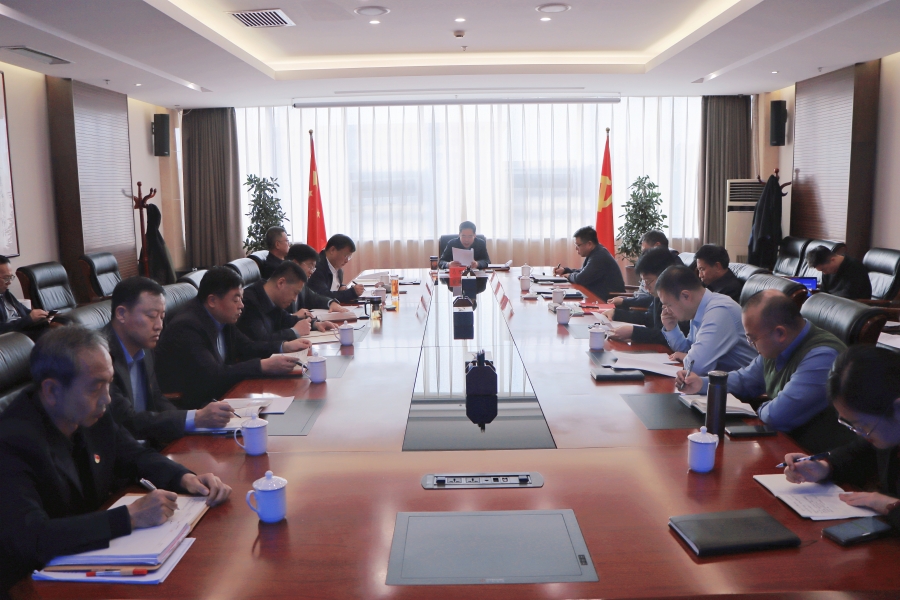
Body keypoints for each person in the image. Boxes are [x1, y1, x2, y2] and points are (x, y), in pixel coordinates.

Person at [0, 326, 232, 593]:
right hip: (34, 585)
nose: (107, 399)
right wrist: (130, 517)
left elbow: (135, 455)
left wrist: (185, 477)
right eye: (95, 388)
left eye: (109, 384)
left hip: (89, 562)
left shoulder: (89, 414)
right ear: (52, 391)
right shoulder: (12, 441)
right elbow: (32, 538)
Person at [677, 290, 855, 453]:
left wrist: (757, 408)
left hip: (815, 454)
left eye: (752, 339)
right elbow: (745, 380)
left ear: (780, 333)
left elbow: (776, 416)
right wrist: (702, 383)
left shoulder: (822, 356)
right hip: (784, 442)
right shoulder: (776, 345)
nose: (751, 345)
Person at [105, 277, 233, 448]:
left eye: (162, 316)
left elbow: (157, 398)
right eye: (151, 316)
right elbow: (127, 420)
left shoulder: (145, 347)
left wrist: (191, 420)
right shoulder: (101, 358)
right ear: (121, 314)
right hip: (121, 454)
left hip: (149, 446)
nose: (159, 325)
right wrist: (195, 418)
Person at [156, 267, 308, 410]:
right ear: (212, 301)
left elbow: (247, 346)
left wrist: (284, 346)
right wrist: (261, 366)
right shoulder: (187, 327)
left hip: (223, 396)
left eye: (241, 298)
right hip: (198, 406)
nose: (241, 305)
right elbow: (213, 375)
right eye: (236, 300)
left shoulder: (221, 317)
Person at [783, 345, 900, 529]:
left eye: (863, 425)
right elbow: (860, 453)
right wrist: (823, 467)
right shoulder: (889, 431)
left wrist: (888, 504)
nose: (860, 432)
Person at [656, 264, 757, 376]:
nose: (667, 310)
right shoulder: (699, 308)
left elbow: (696, 367)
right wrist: (671, 328)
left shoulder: (719, 311)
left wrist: (687, 357)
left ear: (686, 296)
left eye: (669, 305)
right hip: (721, 381)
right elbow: (688, 349)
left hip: (746, 385)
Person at [239, 260, 337, 343]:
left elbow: (286, 319)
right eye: (295, 293)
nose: (295, 299)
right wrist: (294, 332)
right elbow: (261, 341)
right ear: (281, 283)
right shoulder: (248, 303)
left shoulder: (270, 296)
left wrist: (315, 324)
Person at [603, 247, 681, 347]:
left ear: (665, 275)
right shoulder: (659, 294)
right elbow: (648, 318)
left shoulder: (681, 298)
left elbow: (667, 337)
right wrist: (617, 314)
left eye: (648, 281)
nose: (646, 287)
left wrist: (633, 332)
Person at [553, 226, 625, 302]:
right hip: (598, 296)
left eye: (578, 245)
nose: (576, 248)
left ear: (589, 244)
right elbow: (583, 272)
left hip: (608, 301)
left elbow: (580, 279)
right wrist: (565, 270)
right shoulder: (595, 252)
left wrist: (569, 275)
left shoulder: (599, 256)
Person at [610, 230, 678, 310]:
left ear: (657, 246)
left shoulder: (670, 268)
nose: (643, 255)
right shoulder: (652, 269)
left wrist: (626, 301)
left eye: (645, 250)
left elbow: (650, 303)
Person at [287, 243, 351, 315]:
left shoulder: (302, 285)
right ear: (295, 263)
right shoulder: (283, 285)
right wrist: (294, 317)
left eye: (313, 268)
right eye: (310, 266)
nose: (311, 272)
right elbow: (279, 317)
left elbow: (315, 298)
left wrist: (331, 303)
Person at [307, 234, 365, 304]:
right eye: (345, 256)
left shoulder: (338, 269)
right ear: (332, 250)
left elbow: (331, 285)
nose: (347, 261)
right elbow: (323, 296)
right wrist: (351, 292)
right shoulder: (317, 268)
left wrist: (342, 287)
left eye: (349, 257)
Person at [0, 255, 50, 334]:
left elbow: (26, 312)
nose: (9, 282)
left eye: (10, 277)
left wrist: (42, 316)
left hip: (24, 332)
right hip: (12, 338)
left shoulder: (5, 294)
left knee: (62, 323)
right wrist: (29, 319)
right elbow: (1, 329)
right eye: (6, 278)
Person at [805, 245, 872, 300]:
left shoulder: (855, 267)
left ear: (833, 260)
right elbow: (823, 291)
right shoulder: (827, 270)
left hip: (853, 306)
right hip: (833, 303)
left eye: (823, 269)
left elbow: (848, 295)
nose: (824, 273)